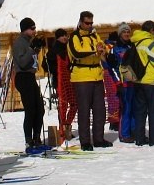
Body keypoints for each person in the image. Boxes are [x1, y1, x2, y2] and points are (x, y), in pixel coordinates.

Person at [68, 11, 111, 151]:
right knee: (84, 110)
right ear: (81, 22)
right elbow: (76, 53)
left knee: (100, 110)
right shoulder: (74, 36)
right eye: (87, 23)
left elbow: (103, 47)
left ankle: (98, 139)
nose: (89, 25)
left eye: (91, 23)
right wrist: (95, 51)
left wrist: (104, 49)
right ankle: (85, 141)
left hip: (97, 75)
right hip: (81, 77)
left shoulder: (94, 35)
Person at [12, 17, 47, 152]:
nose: (34, 30)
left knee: (40, 108)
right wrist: (32, 48)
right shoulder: (19, 43)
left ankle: (36, 138)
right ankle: (29, 141)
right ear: (25, 29)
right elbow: (22, 62)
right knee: (30, 109)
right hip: (23, 76)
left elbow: (32, 58)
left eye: (34, 28)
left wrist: (37, 48)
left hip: (30, 76)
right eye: (32, 28)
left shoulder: (28, 41)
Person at [109, 23, 136, 143]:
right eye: (124, 32)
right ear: (120, 34)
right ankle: (124, 134)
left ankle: (134, 131)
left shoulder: (132, 46)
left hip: (133, 80)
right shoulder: (115, 48)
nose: (126, 34)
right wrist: (117, 82)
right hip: (122, 82)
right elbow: (111, 67)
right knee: (126, 108)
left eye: (128, 32)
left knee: (135, 107)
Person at [53, 29, 76, 143]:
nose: (65, 38)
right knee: (63, 105)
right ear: (58, 37)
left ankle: (67, 126)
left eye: (66, 36)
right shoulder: (54, 50)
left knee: (74, 104)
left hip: (69, 80)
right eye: (62, 36)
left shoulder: (68, 49)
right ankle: (62, 130)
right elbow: (46, 65)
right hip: (59, 81)